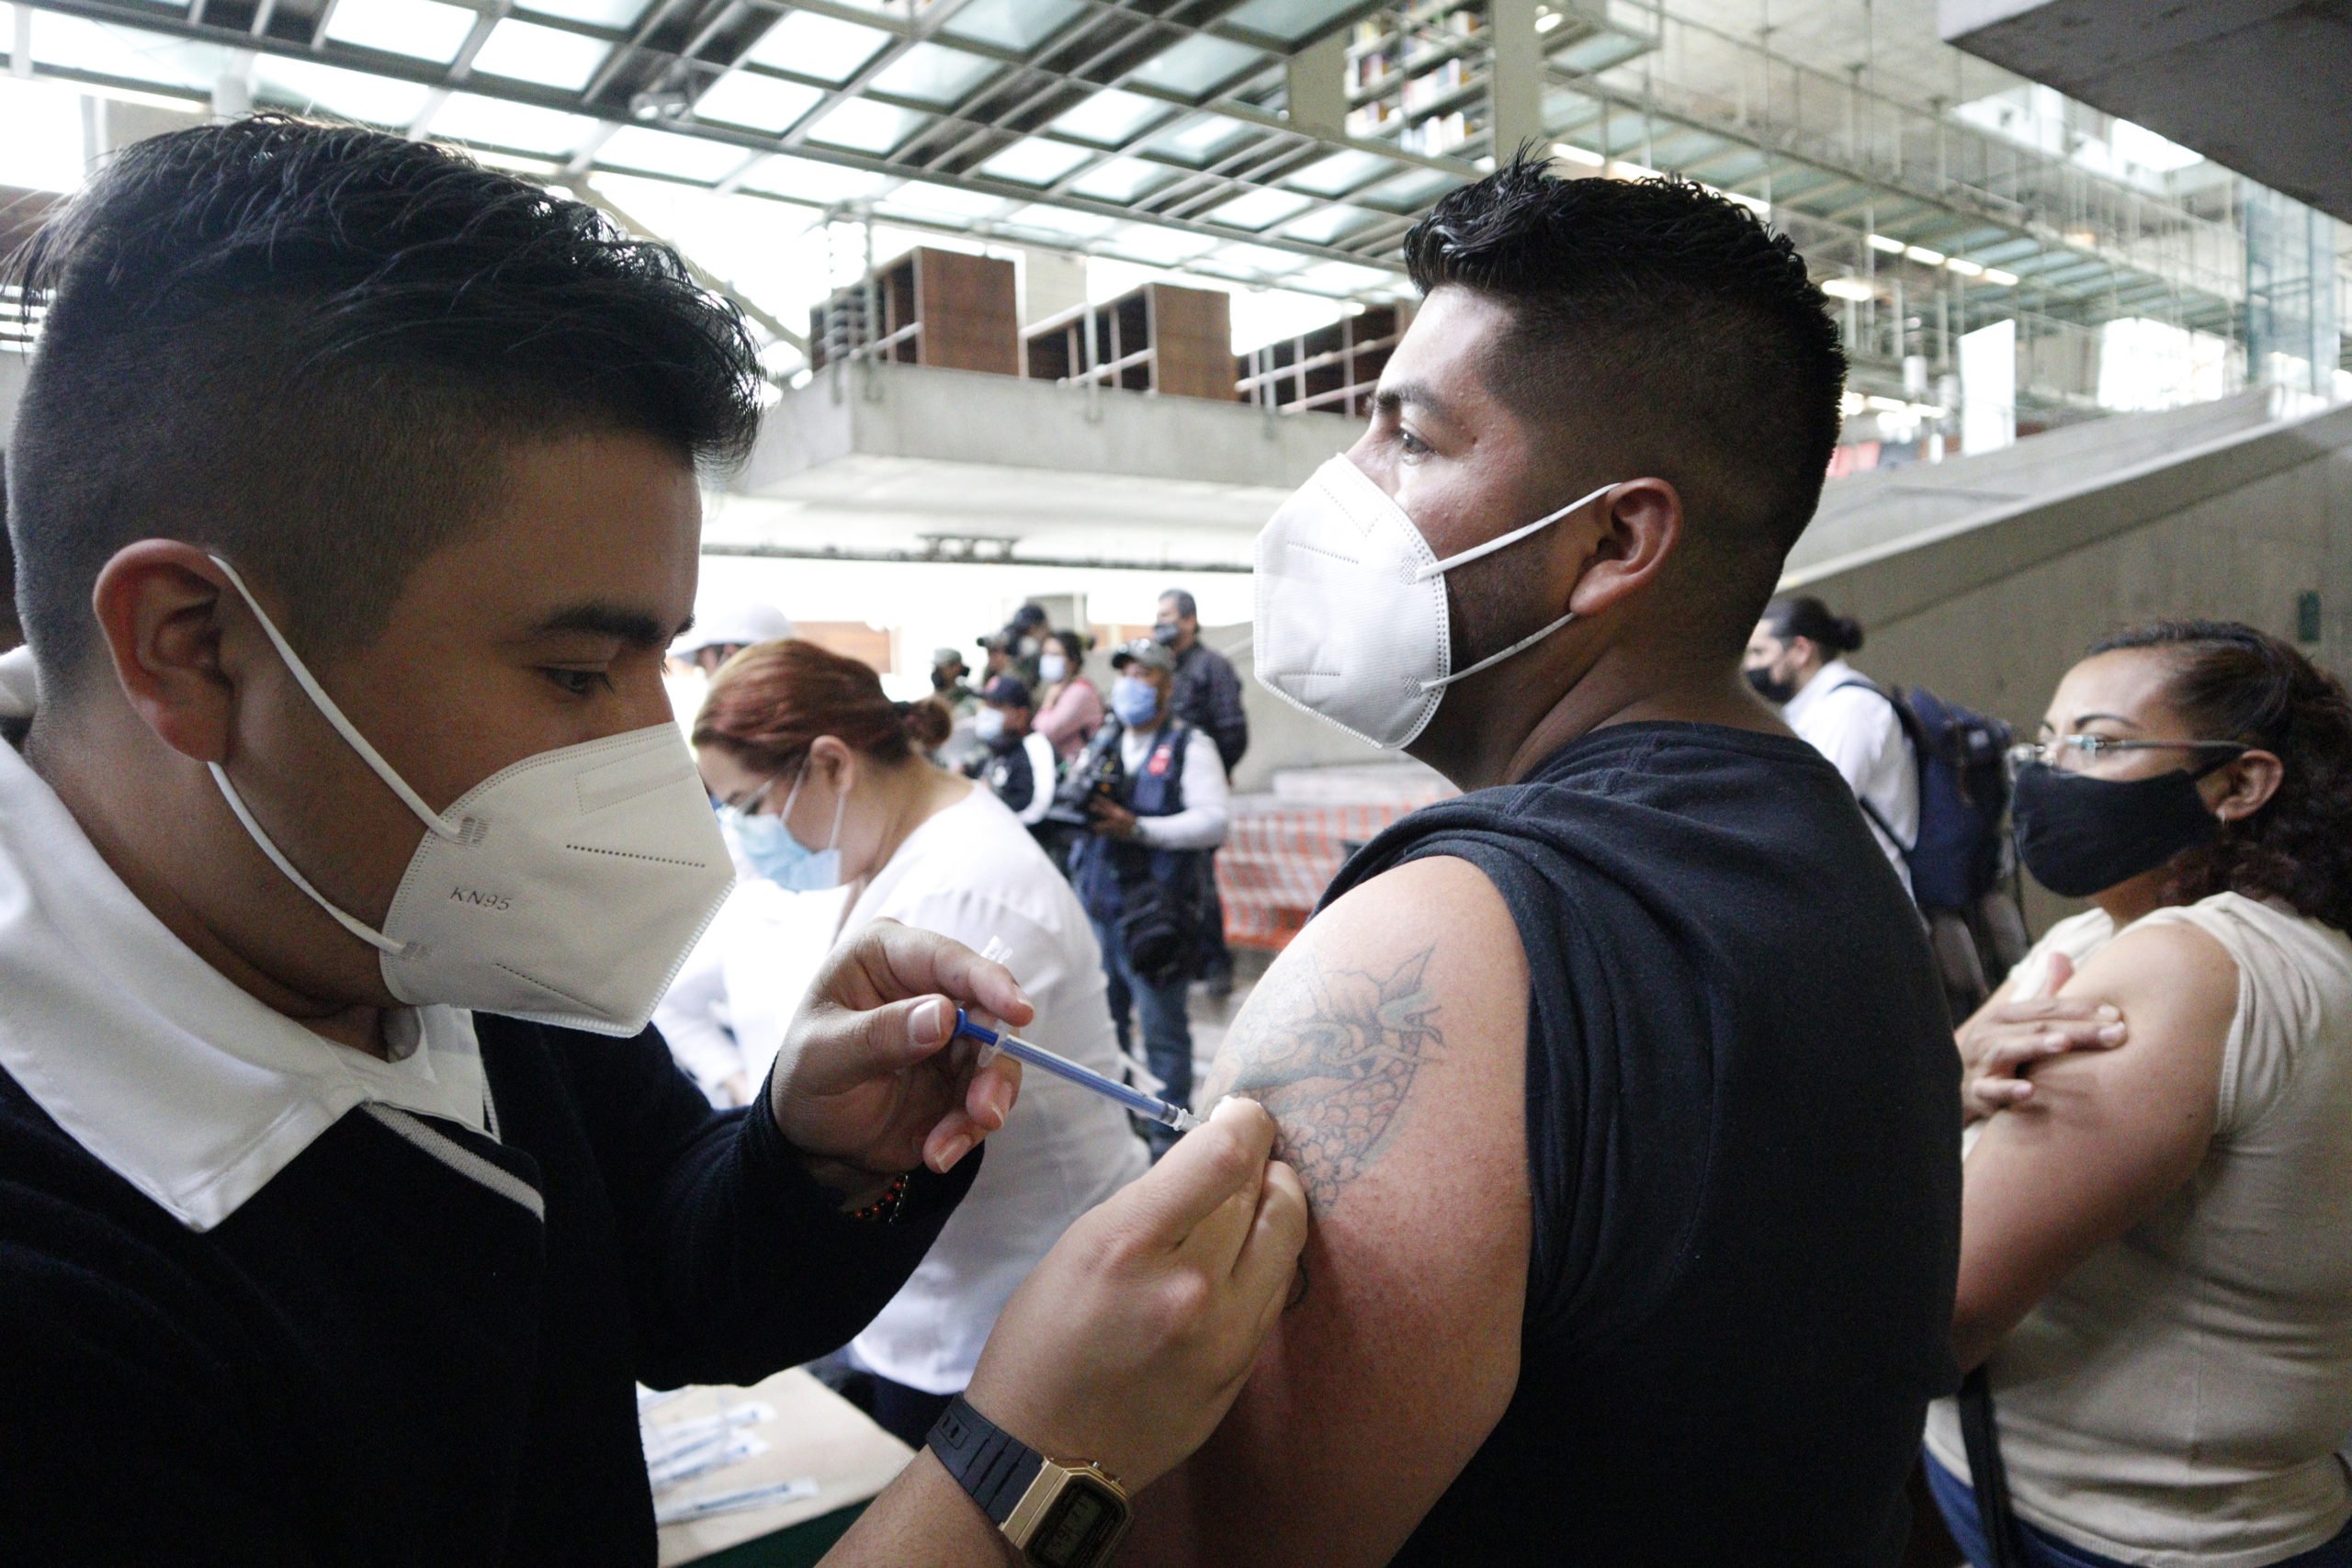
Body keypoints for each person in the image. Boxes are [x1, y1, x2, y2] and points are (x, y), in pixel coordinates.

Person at [0, 117, 1305, 1567]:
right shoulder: (56, 1284)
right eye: (574, 673)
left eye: (657, 669)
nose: (648, 774)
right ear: (195, 650)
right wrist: (1026, 1467)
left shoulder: (416, 912)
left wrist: (806, 1156)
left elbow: (672, 1280)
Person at [1129, 155, 1958, 1566]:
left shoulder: (1455, 932)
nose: (1348, 482)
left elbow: (1208, 1540)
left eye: (1411, 436)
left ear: (1616, 537)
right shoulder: (1829, 842)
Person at [1927, 621, 2352, 1568]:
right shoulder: (2095, 941)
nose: (2049, 770)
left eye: (2102, 742)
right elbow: (1945, 1095)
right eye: (2048, 738)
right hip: (2130, 1506)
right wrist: (1940, 1088)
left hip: (2118, 1533)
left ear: (2238, 785)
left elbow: (1933, 1317)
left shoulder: (2183, 966)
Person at [687, 640, 1151, 1447]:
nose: (744, 833)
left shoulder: (961, 890)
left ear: (831, 764)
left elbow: (878, 1148)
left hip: (1010, 1327)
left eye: (751, 807)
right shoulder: (896, 850)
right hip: (955, 1307)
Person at [1067, 639, 1228, 1155]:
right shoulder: (1105, 742)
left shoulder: (1189, 745)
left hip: (1157, 915)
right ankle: (1121, 1131)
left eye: (1145, 674)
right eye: (1127, 672)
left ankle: (1169, 1140)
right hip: (1099, 908)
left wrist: (1139, 828)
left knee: (1162, 1032)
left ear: (1168, 684)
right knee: (1104, 1029)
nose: (1132, 682)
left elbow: (1213, 822)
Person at [1746, 593, 1919, 894]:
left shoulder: (1846, 711)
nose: (1750, 666)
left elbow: (1817, 816)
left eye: (1759, 653)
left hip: (1875, 904)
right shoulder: (1820, 708)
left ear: (1800, 650)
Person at [1156, 587, 1249, 775]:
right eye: (1158, 617)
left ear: (1189, 621)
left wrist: (1219, 769)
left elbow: (1232, 728)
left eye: (1165, 616)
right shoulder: (1165, 667)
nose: (1159, 624)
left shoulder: (1213, 666)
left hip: (1201, 771)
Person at [970, 674, 1059, 829]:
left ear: (1021, 715)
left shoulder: (1035, 746)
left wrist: (988, 818)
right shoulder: (999, 746)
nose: (987, 712)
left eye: (996, 705)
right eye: (986, 704)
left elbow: (1036, 808)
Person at [1035, 628, 1104, 761]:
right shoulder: (1061, 689)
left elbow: (1046, 732)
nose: (1048, 660)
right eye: (1045, 654)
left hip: (1078, 770)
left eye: (1055, 655)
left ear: (1073, 661)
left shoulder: (1079, 692)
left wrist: (1048, 704)